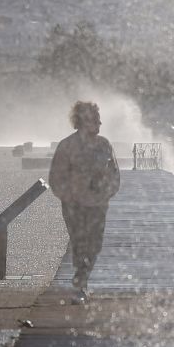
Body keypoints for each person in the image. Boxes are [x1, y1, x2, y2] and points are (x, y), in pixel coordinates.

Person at [49, 101, 120, 297]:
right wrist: (69, 197)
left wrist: (106, 193)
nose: (99, 122)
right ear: (81, 121)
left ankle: (82, 277)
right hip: (74, 205)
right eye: (94, 119)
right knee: (79, 243)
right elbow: (56, 177)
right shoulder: (67, 146)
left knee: (95, 244)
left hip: (97, 204)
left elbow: (114, 174)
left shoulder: (104, 145)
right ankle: (81, 281)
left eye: (98, 118)